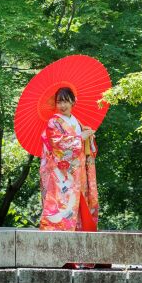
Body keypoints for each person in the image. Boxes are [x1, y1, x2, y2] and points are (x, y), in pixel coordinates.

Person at [39, 87, 99, 232]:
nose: (62, 105)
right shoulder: (54, 122)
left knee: (80, 197)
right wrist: (80, 138)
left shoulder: (77, 122)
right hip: (64, 172)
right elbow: (57, 143)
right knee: (65, 198)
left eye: (66, 101)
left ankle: (79, 226)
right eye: (59, 102)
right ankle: (59, 227)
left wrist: (89, 137)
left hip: (80, 169)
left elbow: (87, 147)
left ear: (73, 101)